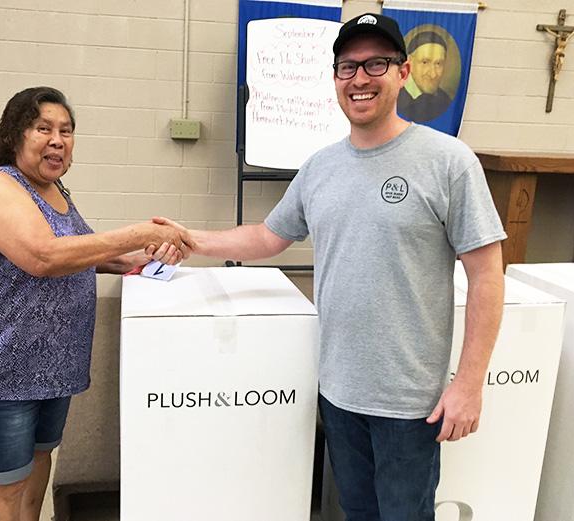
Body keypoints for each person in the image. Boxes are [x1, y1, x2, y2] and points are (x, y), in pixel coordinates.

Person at [154, 12, 506, 521]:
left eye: (375, 64)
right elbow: (267, 236)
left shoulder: (448, 161)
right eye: (347, 67)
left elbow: (486, 274)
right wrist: (190, 239)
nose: (359, 78)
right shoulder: (320, 167)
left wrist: (469, 384)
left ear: (402, 73)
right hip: (338, 391)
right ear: (336, 79)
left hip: (411, 403)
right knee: (357, 513)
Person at [0, 86, 192, 521]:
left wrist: (135, 261)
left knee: (40, 459)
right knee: (6, 482)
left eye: (66, 130)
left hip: (54, 365)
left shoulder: (55, 189)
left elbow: (79, 249)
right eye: (43, 128)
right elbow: (44, 256)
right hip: (5, 366)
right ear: (15, 134)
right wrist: (138, 234)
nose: (57, 139)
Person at [398, 30, 453, 122]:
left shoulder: (445, 100)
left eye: (438, 64)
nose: (433, 74)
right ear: (409, 62)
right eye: (425, 62)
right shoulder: (393, 96)